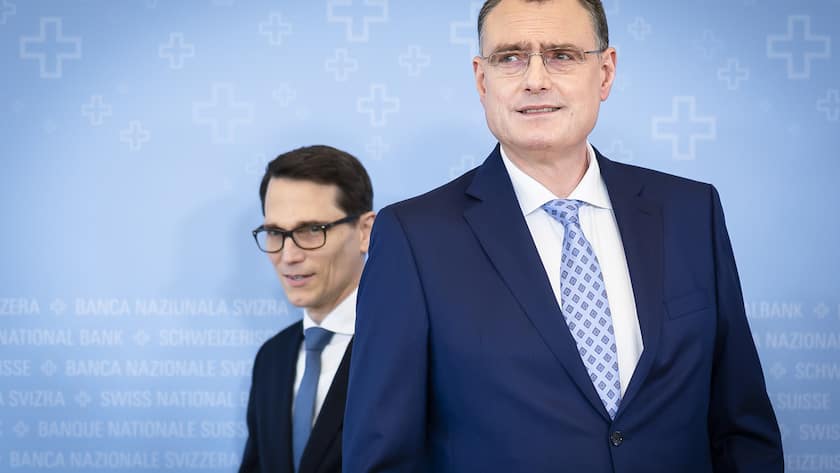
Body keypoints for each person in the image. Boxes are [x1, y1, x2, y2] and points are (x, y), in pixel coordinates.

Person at [342, 1, 783, 472]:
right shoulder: (414, 238)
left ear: (606, 72)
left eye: (562, 55)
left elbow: (741, 428)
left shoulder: (691, 212)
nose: (535, 79)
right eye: (510, 57)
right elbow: (382, 458)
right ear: (481, 78)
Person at [240, 145, 375, 473]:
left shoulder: (409, 349)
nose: (288, 256)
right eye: (275, 233)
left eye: (312, 230)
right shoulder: (272, 358)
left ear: (365, 232)